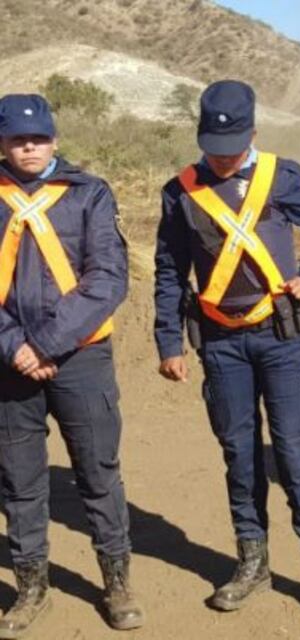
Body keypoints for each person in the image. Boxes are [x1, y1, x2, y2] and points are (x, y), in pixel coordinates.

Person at [153, 80, 300, 623]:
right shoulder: (180, 190)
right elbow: (169, 271)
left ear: (254, 134)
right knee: (239, 457)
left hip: (282, 341)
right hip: (219, 345)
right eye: (213, 150)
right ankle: (252, 563)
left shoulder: (283, 177)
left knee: (295, 456)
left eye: (233, 149)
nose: (221, 160)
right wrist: (170, 341)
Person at [0, 94, 143, 637]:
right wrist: (14, 344)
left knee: (98, 473)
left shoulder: (90, 195)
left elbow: (108, 278)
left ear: (55, 140)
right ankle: (31, 588)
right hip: (9, 363)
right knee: (20, 482)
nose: (29, 147)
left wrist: (48, 343)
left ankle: (117, 580)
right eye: (17, 138)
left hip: (80, 357)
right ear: (3, 143)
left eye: (38, 138)